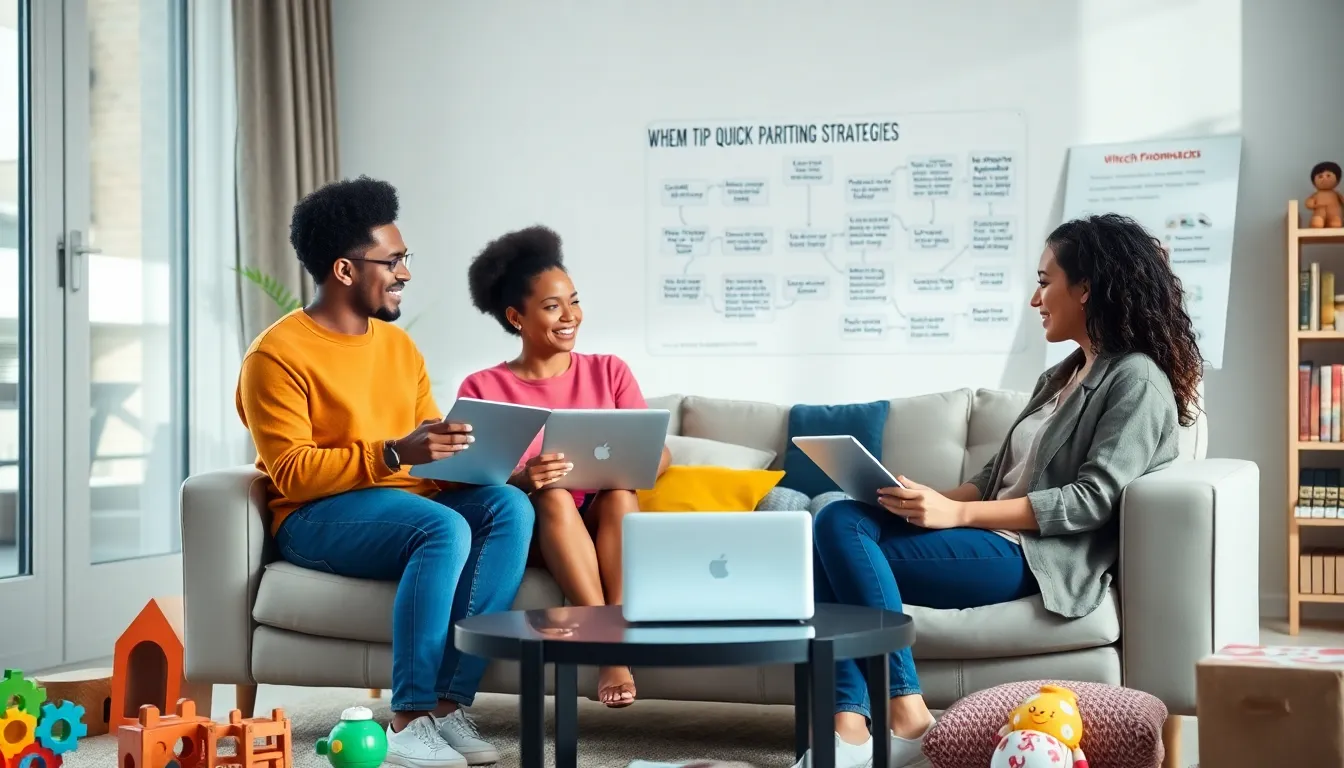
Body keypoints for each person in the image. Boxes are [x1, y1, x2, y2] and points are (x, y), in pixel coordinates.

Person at [800, 213, 1204, 768]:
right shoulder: (1062, 375)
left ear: (1085, 288)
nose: (1036, 299)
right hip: (991, 536)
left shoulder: (1136, 379)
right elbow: (995, 475)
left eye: (1044, 281)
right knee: (835, 515)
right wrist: (925, 500)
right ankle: (849, 727)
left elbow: (1092, 499)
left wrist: (959, 517)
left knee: (832, 535)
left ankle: (903, 718)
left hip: (1032, 556)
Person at [236, 176, 534, 768]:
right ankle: (408, 719)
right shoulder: (275, 355)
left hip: (402, 504)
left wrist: (494, 471)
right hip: (317, 516)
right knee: (440, 528)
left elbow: (430, 453)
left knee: (508, 508)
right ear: (345, 270)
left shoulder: (399, 349)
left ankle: (445, 709)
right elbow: (292, 473)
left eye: (405, 258)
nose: (406, 273)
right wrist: (394, 453)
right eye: (393, 261)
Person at [457, 225, 671, 708]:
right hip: (538, 531)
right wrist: (521, 479)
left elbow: (660, 452)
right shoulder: (482, 387)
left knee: (620, 492)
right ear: (516, 317)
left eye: (574, 302)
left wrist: (639, 461)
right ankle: (610, 647)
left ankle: (610, 642)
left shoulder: (609, 370)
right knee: (552, 495)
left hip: (603, 521)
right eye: (553, 307)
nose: (571, 316)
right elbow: (472, 479)